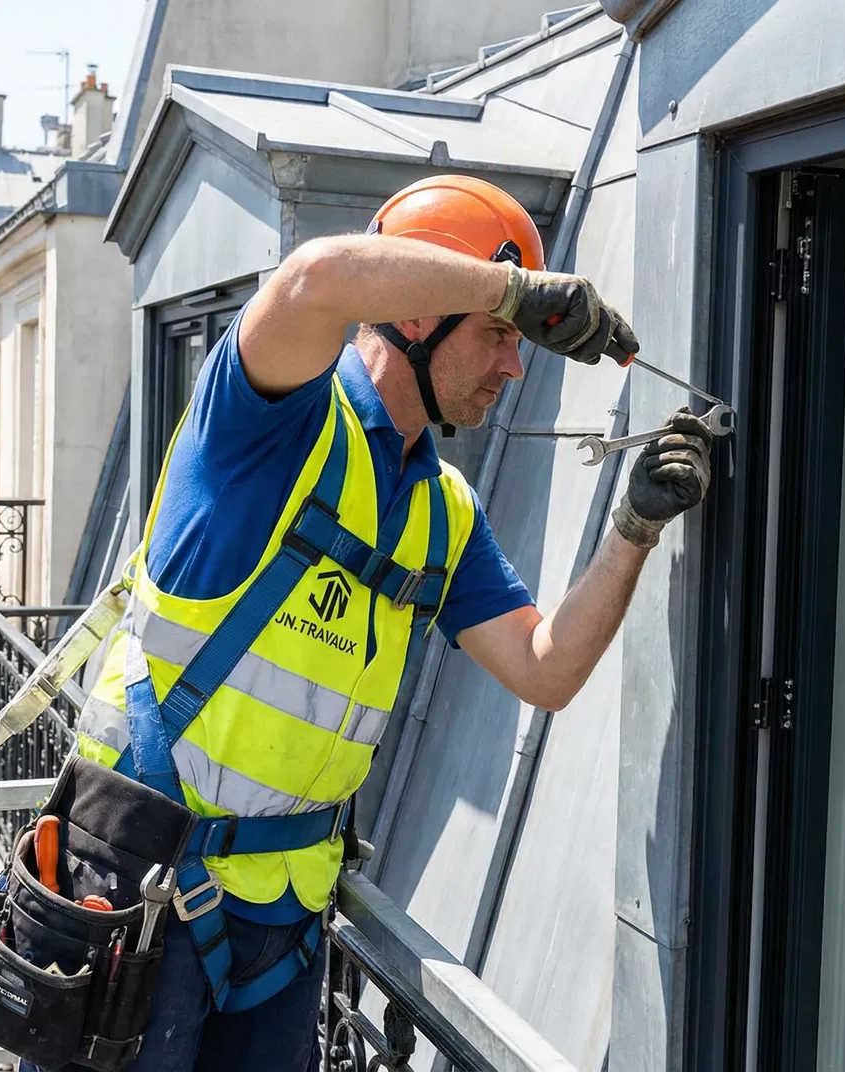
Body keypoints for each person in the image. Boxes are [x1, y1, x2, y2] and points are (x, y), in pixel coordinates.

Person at [56, 175, 708, 1071]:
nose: (514, 366)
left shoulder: (441, 510)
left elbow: (545, 670)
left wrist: (633, 527)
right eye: (498, 335)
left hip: (282, 920)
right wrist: (512, 286)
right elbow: (315, 279)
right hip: (141, 884)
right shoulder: (270, 417)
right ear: (415, 314)